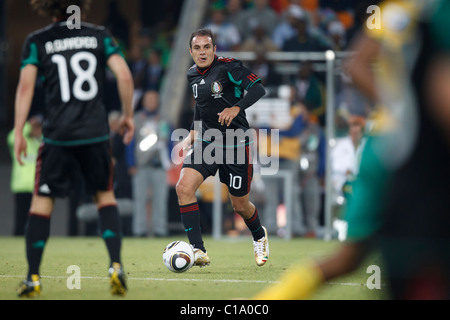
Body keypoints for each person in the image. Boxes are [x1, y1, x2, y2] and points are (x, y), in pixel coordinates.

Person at [253, 0, 450, 300]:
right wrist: (403, 109)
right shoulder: (429, 13)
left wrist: (397, 108)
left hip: (387, 142)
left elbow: (356, 64)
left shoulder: (396, 11)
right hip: (409, 150)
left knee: (352, 255)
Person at [14, 0, 134, 297]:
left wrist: (18, 131)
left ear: (47, 7)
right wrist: (128, 115)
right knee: (105, 197)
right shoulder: (100, 35)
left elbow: (26, 88)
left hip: (57, 136)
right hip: (94, 133)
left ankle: (33, 278)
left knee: (42, 203)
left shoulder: (37, 40)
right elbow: (125, 76)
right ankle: (116, 266)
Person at [176, 28, 268, 267]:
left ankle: (259, 235)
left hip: (236, 144)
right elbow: (201, 103)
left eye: (207, 47)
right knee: (184, 187)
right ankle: (198, 250)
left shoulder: (229, 67)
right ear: (191, 51)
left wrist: (236, 108)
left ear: (214, 49)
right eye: (197, 48)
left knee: (240, 205)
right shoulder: (191, 75)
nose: (202, 52)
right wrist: (193, 132)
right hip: (208, 142)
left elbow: (258, 88)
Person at [126, 90, 171, 237]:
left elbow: (170, 142)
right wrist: (131, 163)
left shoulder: (164, 119)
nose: (151, 102)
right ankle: (140, 230)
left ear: (158, 101)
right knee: (140, 198)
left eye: (154, 99)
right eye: (148, 99)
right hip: (141, 165)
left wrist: (170, 161)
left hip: (159, 165)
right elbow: (130, 143)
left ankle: (160, 230)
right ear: (144, 101)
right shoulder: (137, 119)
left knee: (161, 199)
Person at [7, 115, 43, 236]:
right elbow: (12, 137)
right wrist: (28, 125)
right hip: (21, 186)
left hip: (36, 187)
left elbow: (49, 143)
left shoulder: (40, 143)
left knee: (35, 220)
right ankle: (17, 244)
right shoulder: (20, 141)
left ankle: (33, 242)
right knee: (20, 220)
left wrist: (39, 132)